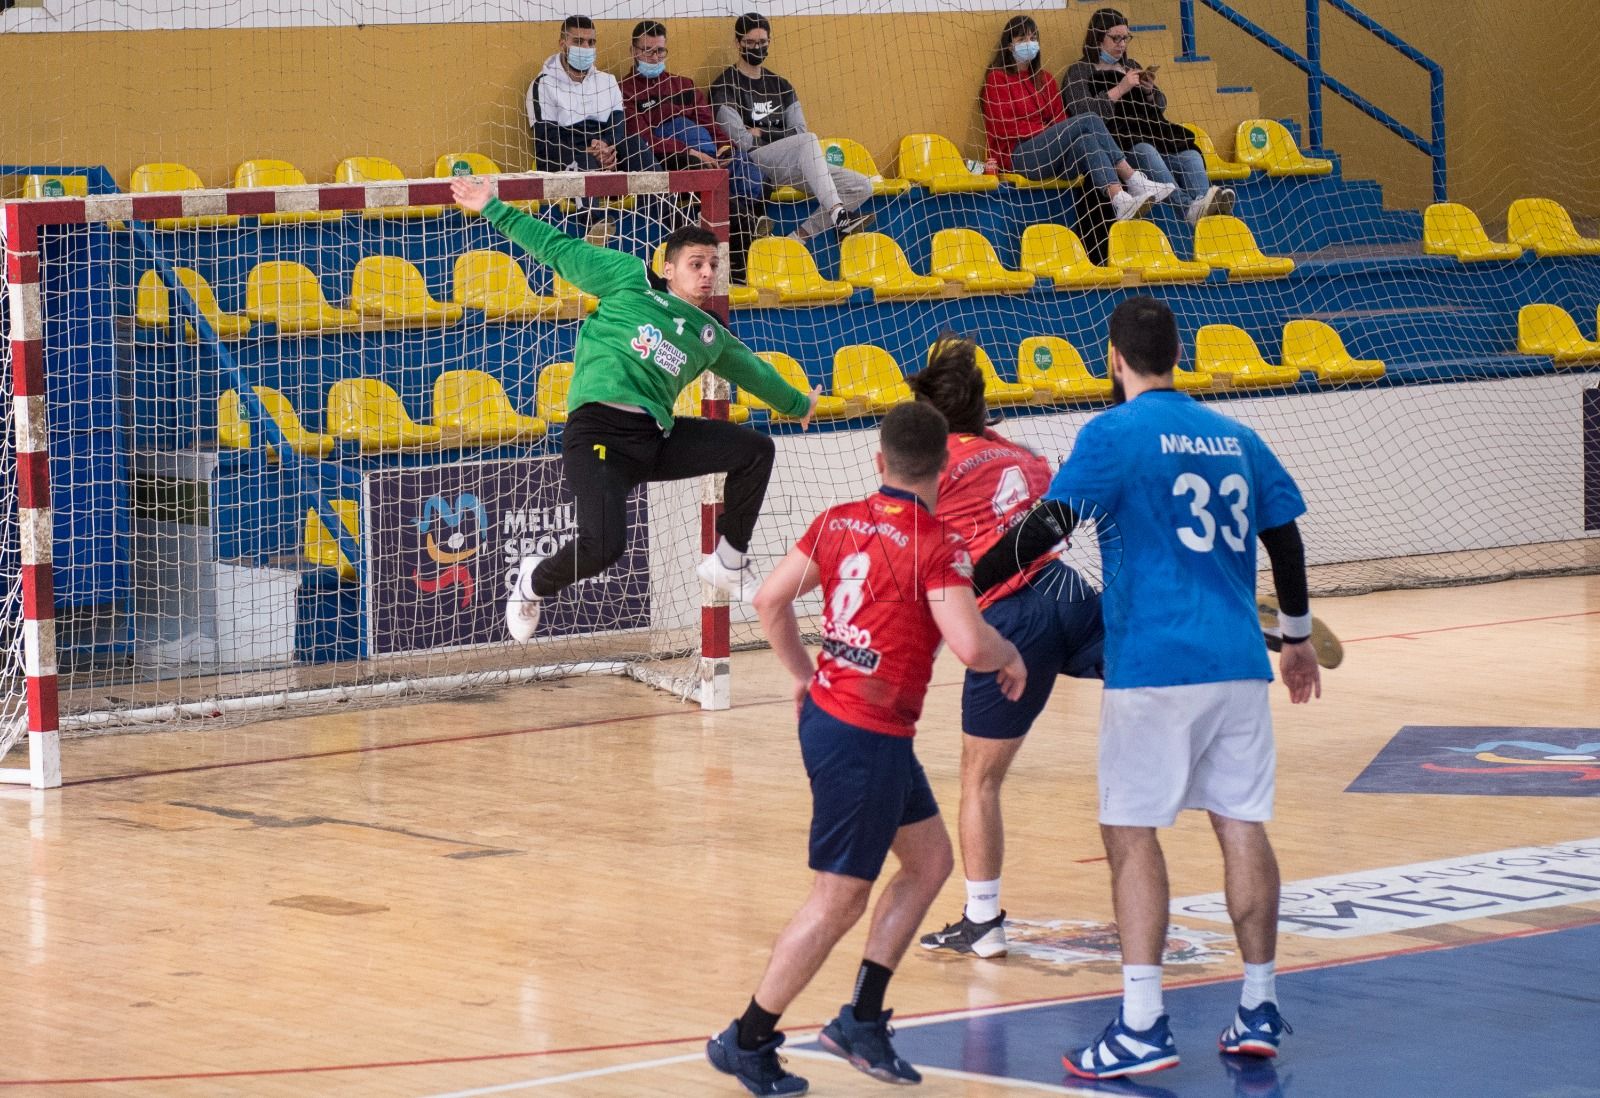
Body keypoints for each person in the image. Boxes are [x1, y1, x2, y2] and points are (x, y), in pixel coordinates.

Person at [972, 296, 1321, 1079]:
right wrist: (1297, 640)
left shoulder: (1115, 434)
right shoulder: (1236, 436)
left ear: (1113, 358)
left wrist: (967, 582)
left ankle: (1142, 1023)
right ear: (1178, 354)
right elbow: (1287, 541)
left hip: (1153, 667)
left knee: (1131, 835)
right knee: (1240, 825)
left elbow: (1046, 530)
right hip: (1237, 663)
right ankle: (1257, 1004)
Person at [706, 402, 1028, 1097]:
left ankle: (861, 1016)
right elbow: (972, 645)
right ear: (945, 465)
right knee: (838, 898)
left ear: (878, 462)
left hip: (839, 718)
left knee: (930, 860)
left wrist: (801, 674)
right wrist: (1010, 655)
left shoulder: (835, 520)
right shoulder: (938, 543)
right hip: (866, 733)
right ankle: (748, 1038)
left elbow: (767, 600)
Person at [449, 175, 822, 641]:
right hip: (598, 433)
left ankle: (729, 560)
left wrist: (796, 403)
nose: (707, 273)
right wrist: (493, 206)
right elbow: (557, 248)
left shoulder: (709, 334)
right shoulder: (627, 278)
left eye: (713, 265)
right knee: (603, 547)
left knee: (755, 449)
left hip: (654, 439)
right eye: (695, 264)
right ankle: (531, 581)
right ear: (667, 269)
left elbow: (754, 372)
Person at [906, 338, 1105, 961]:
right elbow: (1051, 498)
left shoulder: (929, 467)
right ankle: (1230, 630)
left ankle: (982, 921)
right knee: (1149, 659)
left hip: (1008, 624)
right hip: (1068, 590)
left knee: (980, 782)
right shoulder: (1018, 452)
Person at [982, 13, 1173, 222]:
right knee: (1088, 118)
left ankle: (1120, 199)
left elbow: (1060, 118)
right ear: (1009, 46)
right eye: (1021, 40)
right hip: (1020, 156)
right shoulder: (996, 79)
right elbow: (1003, 128)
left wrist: (1054, 131)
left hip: (1052, 155)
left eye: (1033, 38)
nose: (1029, 43)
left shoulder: (1044, 79)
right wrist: (1048, 131)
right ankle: (1133, 178)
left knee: (1086, 140)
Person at [619, 19, 770, 280]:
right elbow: (643, 140)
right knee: (715, 184)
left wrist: (724, 147)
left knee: (748, 170)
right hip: (674, 160)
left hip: (708, 154)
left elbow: (709, 123)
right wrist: (688, 152)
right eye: (648, 51)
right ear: (634, 52)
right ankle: (742, 233)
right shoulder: (625, 92)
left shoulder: (683, 86)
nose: (655, 58)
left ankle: (747, 234)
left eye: (660, 51)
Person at [710, 12, 875, 242]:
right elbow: (742, 141)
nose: (757, 48)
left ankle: (797, 239)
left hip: (791, 163)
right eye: (750, 42)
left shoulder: (782, 86)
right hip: (754, 164)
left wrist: (763, 132)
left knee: (861, 186)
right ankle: (839, 214)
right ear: (737, 43)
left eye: (762, 43)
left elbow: (799, 130)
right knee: (808, 141)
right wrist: (780, 137)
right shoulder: (724, 85)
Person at [1065, 8, 1232, 225]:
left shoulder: (1131, 65)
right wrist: (1120, 88)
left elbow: (1161, 104)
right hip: (1120, 142)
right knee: (1146, 151)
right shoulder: (1079, 72)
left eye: (1126, 38)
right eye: (1115, 38)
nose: (1122, 44)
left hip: (1154, 133)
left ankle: (1204, 212)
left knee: (1191, 155)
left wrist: (1149, 90)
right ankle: (1187, 209)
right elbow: (1082, 114)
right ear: (1097, 38)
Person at [527, 15, 658, 175]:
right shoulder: (543, 84)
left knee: (635, 145)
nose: (586, 47)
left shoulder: (607, 81)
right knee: (585, 162)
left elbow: (618, 129)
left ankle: (660, 199)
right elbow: (547, 143)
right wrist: (591, 154)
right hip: (564, 162)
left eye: (591, 42)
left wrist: (605, 147)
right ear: (562, 44)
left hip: (606, 156)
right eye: (578, 41)